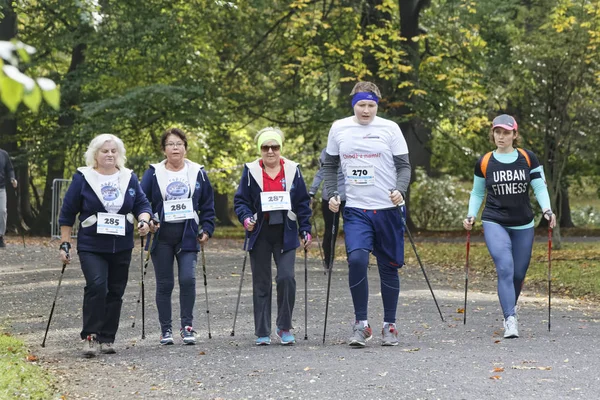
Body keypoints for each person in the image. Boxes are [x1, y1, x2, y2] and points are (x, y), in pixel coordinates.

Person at [322, 81, 411, 347]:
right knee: (357, 260)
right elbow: (329, 164)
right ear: (353, 105)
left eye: (371, 105)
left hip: (387, 209)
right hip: (356, 209)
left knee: (389, 267)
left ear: (377, 105)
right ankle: (361, 324)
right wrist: (332, 193)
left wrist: (400, 190)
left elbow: (404, 167)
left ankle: (390, 325)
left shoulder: (390, 128)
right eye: (361, 105)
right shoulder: (339, 128)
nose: (366, 111)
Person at [463, 114, 556, 339]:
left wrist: (547, 209)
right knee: (505, 267)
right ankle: (510, 319)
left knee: (518, 273)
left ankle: (510, 308)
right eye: (497, 132)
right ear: (493, 134)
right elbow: (477, 192)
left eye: (506, 132)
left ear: (515, 134)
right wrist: (470, 215)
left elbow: (540, 187)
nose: (501, 136)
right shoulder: (485, 162)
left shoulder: (528, 158)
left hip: (524, 223)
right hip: (495, 220)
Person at [58, 134, 152, 357]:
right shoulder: (84, 177)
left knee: (115, 291)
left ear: (119, 154)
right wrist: (65, 243)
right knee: (97, 286)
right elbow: (68, 212)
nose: (109, 154)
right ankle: (90, 336)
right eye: (104, 151)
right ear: (95, 155)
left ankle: (107, 337)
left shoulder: (129, 177)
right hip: (92, 244)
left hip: (121, 244)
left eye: (113, 151)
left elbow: (142, 204)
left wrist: (144, 220)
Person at [234, 127, 312, 346]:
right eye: (265, 147)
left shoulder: (293, 170)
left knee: (286, 278)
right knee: (262, 282)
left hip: (285, 231)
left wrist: (305, 228)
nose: (270, 151)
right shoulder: (250, 171)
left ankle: (284, 326)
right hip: (260, 232)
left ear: (280, 149)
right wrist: (246, 218)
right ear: (260, 149)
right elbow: (240, 201)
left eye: (274, 147)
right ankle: (262, 331)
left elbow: (303, 202)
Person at [141, 127, 215, 346]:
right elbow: (142, 202)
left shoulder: (197, 172)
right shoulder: (153, 172)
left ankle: (187, 326)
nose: (175, 148)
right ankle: (166, 330)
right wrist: (148, 221)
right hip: (161, 236)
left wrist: (207, 229)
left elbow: (208, 205)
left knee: (187, 280)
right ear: (164, 150)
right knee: (165, 284)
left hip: (188, 235)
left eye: (179, 144)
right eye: (170, 144)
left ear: (185, 148)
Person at [308, 148, 346, 269]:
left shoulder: (326, 151)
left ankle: (328, 261)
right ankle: (352, 260)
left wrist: (312, 192)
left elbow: (321, 173)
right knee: (350, 228)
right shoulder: (351, 148)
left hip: (331, 195)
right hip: (344, 195)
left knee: (330, 229)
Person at [0, 147, 18, 248]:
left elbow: (10, 169)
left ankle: (0, 236)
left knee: (2, 211)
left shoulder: (4, 154)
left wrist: (12, 178)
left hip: (1, 188)